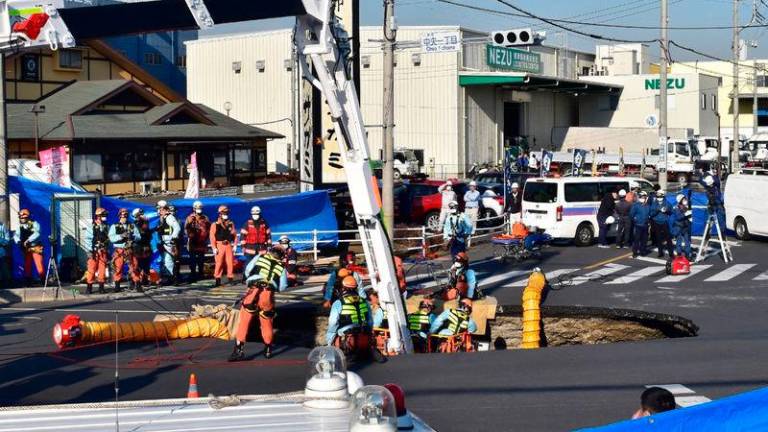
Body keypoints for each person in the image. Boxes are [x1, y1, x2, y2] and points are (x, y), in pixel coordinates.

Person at [230, 247, 288, 361]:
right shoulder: (282, 268)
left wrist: (249, 280)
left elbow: (248, 270)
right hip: (267, 295)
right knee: (267, 322)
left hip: (253, 291)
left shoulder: (260, 257)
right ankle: (268, 350)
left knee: (244, 322)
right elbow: (282, 286)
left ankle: (239, 350)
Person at [326, 275, 373, 355]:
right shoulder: (365, 302)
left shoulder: (338, 303)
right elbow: (370, 320)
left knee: (331, 334)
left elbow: (333, 322)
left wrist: (331, 338)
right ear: (356, 288)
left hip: (346, 336)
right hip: (363, 334)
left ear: (343, 288)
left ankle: (333, 349)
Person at [108, 208, 140, 292]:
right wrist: (121, 236)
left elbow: (138, 236)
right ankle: (117, 285)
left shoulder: (132, 225)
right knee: (118, 267)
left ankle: (137, 283)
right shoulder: (114, 226)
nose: (124, 217)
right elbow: (111, 238)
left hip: (130, 249)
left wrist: (133, 237)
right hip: (120, 249)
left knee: (134, 266)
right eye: (122, 215)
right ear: (119, 216)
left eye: (125, 215)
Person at [13, 209, 44, 286]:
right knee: (27, 265)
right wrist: (18, 241)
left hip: (35, 247)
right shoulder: (20, 227)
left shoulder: (35, 224)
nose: (21, 219)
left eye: (23, 217)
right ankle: (28, 281)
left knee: (39, 264)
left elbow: (37, 233)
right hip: (27, 249)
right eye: (21, 218)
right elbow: (16, 235)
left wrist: (28, 240)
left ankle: (43, 281)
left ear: (28, 217)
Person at [85, 208, 110, 294]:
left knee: (102, 269)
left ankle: (101, 287)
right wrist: (89, 250)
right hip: (94, 251)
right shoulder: (91, 226)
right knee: (91, 269)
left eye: (105, 215)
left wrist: (107, 248)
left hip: (103, 251)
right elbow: (87, 239)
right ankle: (89, 287)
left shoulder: (106, 226)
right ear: (98, 216)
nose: (105, 217)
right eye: (103, 215)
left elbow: (109, 238)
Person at [210, 205, 237, 286]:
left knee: (230, 262)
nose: (226, 214)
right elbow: (212, 236)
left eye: (227, 212)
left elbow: (234, 235)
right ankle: (217, 279)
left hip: (228, 245)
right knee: (219, 263)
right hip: (219, 245)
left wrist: (235, 245)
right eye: (224, 213)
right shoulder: (215, 224)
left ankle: (230, 278)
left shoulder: (231, 223)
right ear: (220, 214)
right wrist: (214, 247)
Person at [185, 201, 211, 282]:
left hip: (202, 242)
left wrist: (207, 237)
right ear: (194, 208)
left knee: (201, 260)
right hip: (193, 242)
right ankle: (193, 274)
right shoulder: (190, 218)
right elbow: (186, 229)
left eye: (200, 208)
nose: (199, 210)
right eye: (197, 208)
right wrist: (190, 234)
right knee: (192, 260)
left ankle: (200, 273)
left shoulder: (205, 218)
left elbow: (209, 229)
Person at [156, 201, 181, 285]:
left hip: (170, 243)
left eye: (159, 209)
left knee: (170, 261)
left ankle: (174, 278)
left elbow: (177, 227)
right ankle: (172, 277)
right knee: (167, 261)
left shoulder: (169, 217)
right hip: (165, 243)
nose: (158, 211)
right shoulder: (162, 219)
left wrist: (173, 238)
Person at [131, 208, 153, 291]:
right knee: (137, 265)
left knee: (146, 264)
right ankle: (135, 281)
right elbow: (139, 235)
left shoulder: (146, 223)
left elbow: (148, 234)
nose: (142, 216)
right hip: (138, 247)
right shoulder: (134, 225)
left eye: (142, 214)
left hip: (146, 246)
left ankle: (145, 280)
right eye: (139, 214)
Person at [650, 190, 675, 259]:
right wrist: (657, 210)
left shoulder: (667, 203)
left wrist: (667, 211)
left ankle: (671, 253)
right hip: (656, 222)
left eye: (660, 196)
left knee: (668, 238)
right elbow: (651, 214)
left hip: (664, 222)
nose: (659, 197)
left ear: (663, 196)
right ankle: (660, 252)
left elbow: (671, 212)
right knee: (659, 238)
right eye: (657, 196)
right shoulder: (654, 203)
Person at [629, 191, 651, 258]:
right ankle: (635, 253)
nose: (642, 198)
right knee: (636, 239)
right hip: (638, 225)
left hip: (645, 225)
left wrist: (649, 219)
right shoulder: (636, 205)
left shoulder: (648, 206)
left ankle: (642, 252)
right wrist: (635, 219)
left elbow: (650, 213)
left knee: (644, 240)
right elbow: (631, 214)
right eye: (641, 197)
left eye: (644, 197)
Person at [672, 194, 693, 259]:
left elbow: (688, 216)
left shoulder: (686, 207)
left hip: (685, 227)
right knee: (679, 241)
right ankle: (679, 254)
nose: (685, 200)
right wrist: (685, 215)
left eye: (685, 199)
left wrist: (690, 217)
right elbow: (678, 217)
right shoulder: (676, 208)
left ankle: (687, 255)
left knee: (687, 242)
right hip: (679, 227)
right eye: (684, 199)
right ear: (680, 201)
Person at [0, 219, 11, 286]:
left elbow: (7, 239)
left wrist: (1, 241)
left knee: (3, 266)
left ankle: (7, 282)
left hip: (1, 251)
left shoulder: (2, 226)